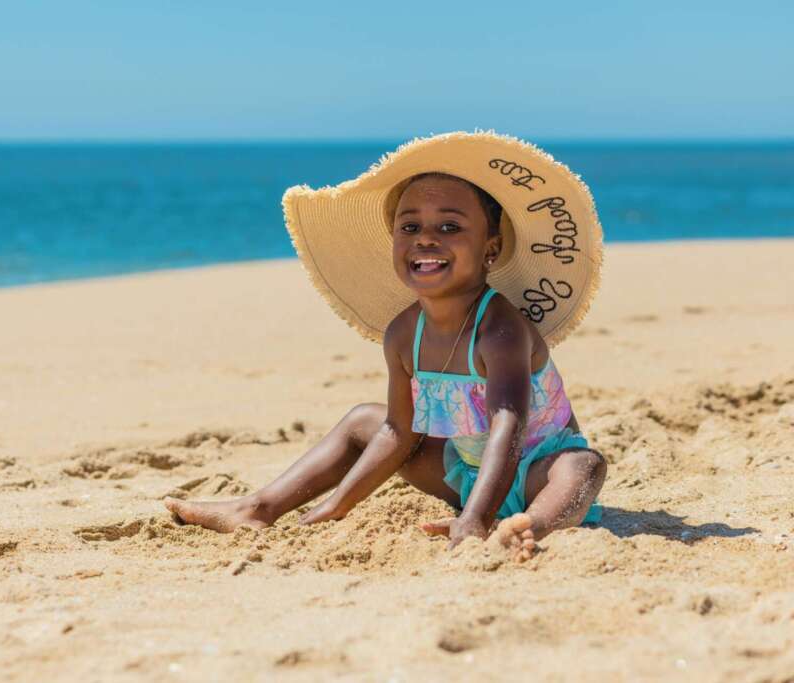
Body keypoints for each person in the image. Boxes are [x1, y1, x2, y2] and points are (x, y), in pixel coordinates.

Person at [165, 132, 607, 561]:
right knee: (364, 421)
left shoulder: (500, 329)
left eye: (449, 226)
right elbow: (401, 431)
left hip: (533, 472)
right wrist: (338, 505)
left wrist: (474, 518)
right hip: (462, 473)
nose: (426, 238)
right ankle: (259, 509)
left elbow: (507, 430)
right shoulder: (403, 334)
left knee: (583, 466)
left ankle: (530, 528)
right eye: (410, 226)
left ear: (490, 249)